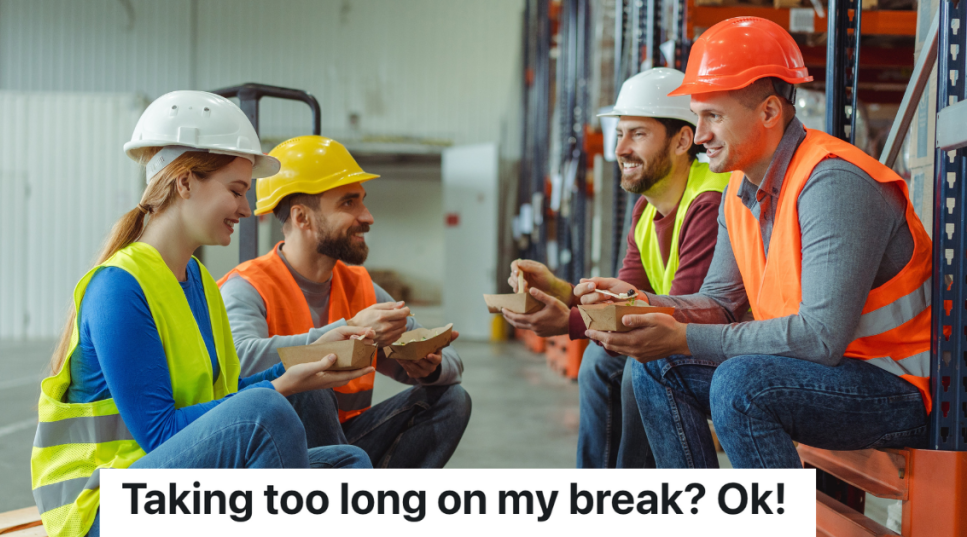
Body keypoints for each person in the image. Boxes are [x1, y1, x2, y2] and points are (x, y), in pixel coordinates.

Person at [577, 17, 932, 468]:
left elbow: (820, 338)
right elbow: (720, 303)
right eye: (697, 115)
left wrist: (684, 337)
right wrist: (643, 303)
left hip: (892, 384)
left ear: (768, 112)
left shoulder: (833, 183)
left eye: (713, 116)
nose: (700, 136)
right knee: (654, 365)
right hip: (815, 371)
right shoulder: (739, 190)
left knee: (740, 384)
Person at [31, 91, 373, 537]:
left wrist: (298, 372)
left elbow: (222, 397)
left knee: (347, 464)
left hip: (168, 481)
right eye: (236, 191)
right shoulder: (118, 288)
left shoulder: (198, 281)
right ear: (185, 182)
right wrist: (277, 389)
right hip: (102, 507)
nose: (246, 209)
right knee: (266, 412)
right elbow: (161, 434)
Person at [501, 68, 730, 468]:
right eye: (620, 133)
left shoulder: (707, 203)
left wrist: (569, 322)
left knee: (641, 365)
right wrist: (558, 291)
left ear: (682, 140)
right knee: (600, 361)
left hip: (723, 346)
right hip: (680, 334)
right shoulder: (646, 210)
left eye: (637, 134)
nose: (621, 149)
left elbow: (679, 317)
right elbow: (623, 300)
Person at [218, 135, 471, 468]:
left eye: (362, 202)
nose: (367, 217)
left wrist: (430, 365)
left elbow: (452, 363)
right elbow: (237, 361)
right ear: (301, 217)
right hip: (277, 452)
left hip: (345, 441)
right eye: (349, 203)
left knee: (451, 400)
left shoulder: (361, 288)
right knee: (311, 372)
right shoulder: (248, 286)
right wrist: (343, 334)